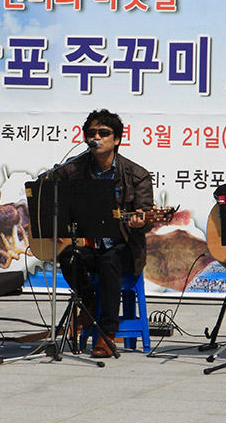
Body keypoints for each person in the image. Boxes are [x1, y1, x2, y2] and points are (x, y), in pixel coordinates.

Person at [53, 109, 154, 359]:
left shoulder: (136, 175)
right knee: (69, 257)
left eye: (103, 133)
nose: (96, 137)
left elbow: (148, 217)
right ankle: (88, 302)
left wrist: (140, 222)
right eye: (91, 133)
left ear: (117, 139)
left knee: (110, 261)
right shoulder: (73, 169)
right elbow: (49, 191)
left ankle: (106, 334)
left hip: (125, 248)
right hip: (90, 245)